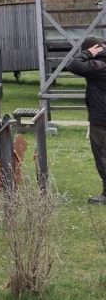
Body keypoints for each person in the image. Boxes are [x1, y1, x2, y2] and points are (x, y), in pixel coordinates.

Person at [66, 37, 106, 204]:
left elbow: (73, 65)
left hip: (101, 119)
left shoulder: (99, 66)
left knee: (102, 155)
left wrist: (88, 53)